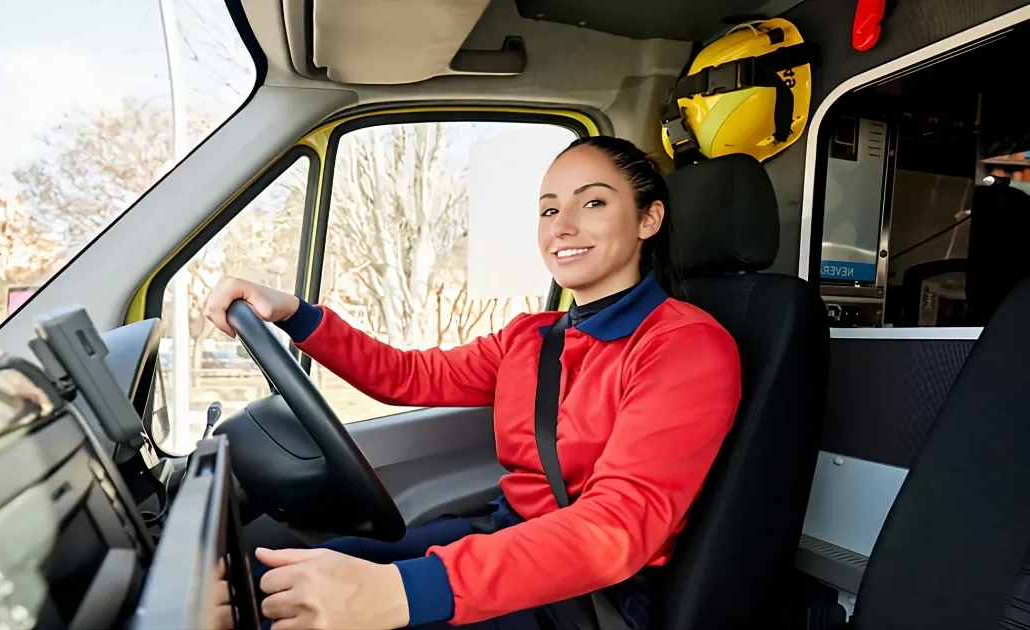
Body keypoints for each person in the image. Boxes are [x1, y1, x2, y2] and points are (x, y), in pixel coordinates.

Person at [203, 136, 742, 630]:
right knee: (273, 581)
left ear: (649, 219)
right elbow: (407, 375)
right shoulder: (531, 337)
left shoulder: (685, 346)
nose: (562, 226)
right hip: (504, 540)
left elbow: (616, 529)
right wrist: (294, 313)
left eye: (593, 203)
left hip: (590, 593)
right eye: (549, 209)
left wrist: (401, 592)